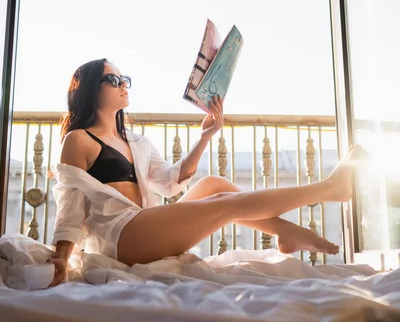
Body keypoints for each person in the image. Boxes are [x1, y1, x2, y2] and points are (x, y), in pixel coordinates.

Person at [48, 57, 363, 287]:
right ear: (90, 89)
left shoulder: (136, 141)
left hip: (142, 225)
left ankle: (283, 231)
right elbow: (70, 204)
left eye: (124, 79)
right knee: (224, 205)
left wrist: (205, 136)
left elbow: (171, 183)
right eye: (112, 80)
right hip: (118, 237)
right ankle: (329, 189)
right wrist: (62, 254)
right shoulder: (79, 139)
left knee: (213, 184)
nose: (123, 85)